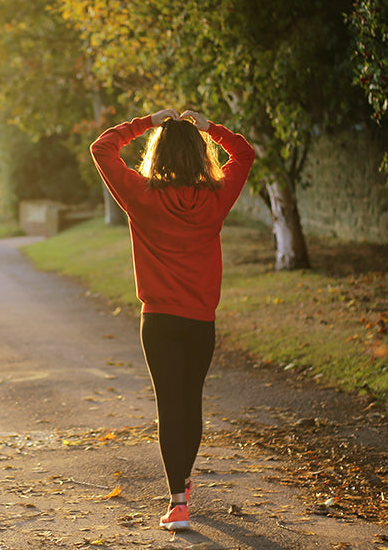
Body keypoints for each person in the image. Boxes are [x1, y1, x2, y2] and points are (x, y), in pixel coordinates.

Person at [89, 108, 255, 531]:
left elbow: (102, 148)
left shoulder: (141, 195)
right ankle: (182, 483)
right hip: (200, 321)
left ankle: (178, 501)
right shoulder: (217, 196)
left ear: (157, 154)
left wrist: (146, 122)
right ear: (201, 156)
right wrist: (210, 128)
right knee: (191, 402)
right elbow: (245, 153)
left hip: (159, 321)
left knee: (170, 405)